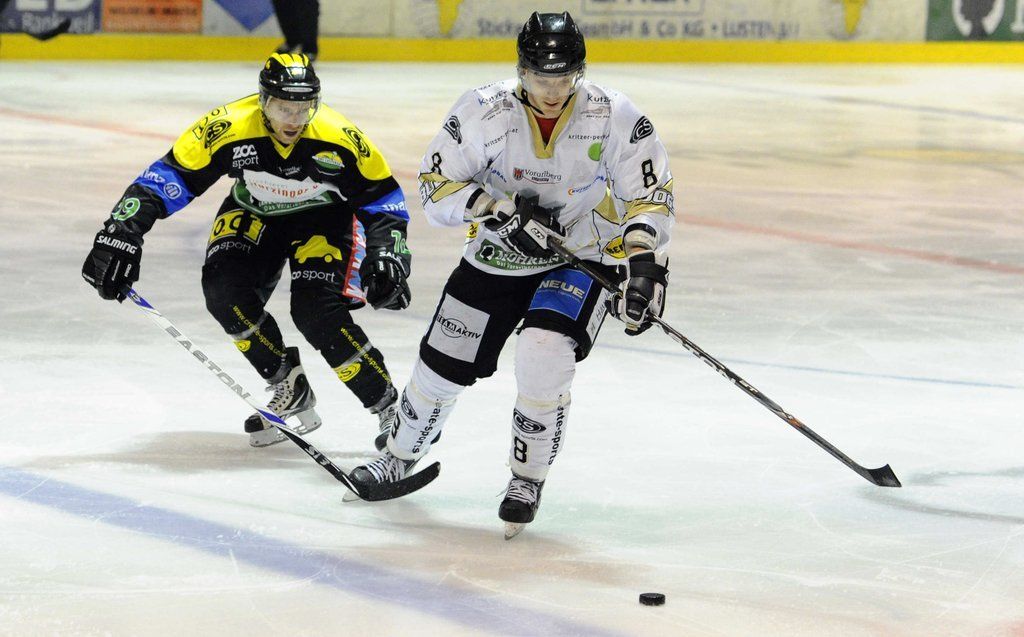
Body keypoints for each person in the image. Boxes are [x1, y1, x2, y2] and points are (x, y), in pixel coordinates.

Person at [349, 11, 675, 538]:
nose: (553, 91)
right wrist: (494, 209)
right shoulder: (483, 109)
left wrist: (643, 265)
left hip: (582, 252)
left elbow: (650, 193)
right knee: (441, 366)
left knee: (544, 352)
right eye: (541, 77)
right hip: (497, 254)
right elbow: (435, 186)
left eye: (565, 77)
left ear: (581, 72)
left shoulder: (613, 114)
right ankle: (399, 455)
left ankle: (527, 478)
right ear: (522, 70)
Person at [82, 53, 412, 448]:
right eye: (283, 108)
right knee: (224, 293)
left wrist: (389, 252)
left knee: (315, 311)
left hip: (323, 217)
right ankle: (287, 383)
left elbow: (384, 198)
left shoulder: (337, 136)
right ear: (263, 101)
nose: (294, 119)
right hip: (254, 209)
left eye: (304, 108)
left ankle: (390, 408)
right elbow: (169, 177)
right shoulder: (228, 126)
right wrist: (121, 231)